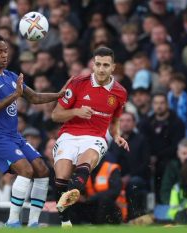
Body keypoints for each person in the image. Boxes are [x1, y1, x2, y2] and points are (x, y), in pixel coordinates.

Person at [0, 33, 64, 227]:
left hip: (14, 136)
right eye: (0, 51)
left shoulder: (11, 76)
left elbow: (35, 97)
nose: (5, 55)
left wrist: (60, 94)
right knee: (25, 170)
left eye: (6, 51)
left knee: (42, 169)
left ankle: (33, 223)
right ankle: (12, 222)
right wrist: (15, 94)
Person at [51, 46, 128, 226]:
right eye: (98, 64)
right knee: (60, 181)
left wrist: (116, 135)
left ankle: (75, 191)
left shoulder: (120, 92)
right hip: (68, 135)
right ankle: (65, 220)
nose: (101, 69)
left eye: (106, 65)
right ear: (93, 65)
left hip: (95, 137)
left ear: (113, 67)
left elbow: (115, 119)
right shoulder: (78, 82)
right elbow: (55, 115)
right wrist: (76, 111)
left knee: (85, 164)